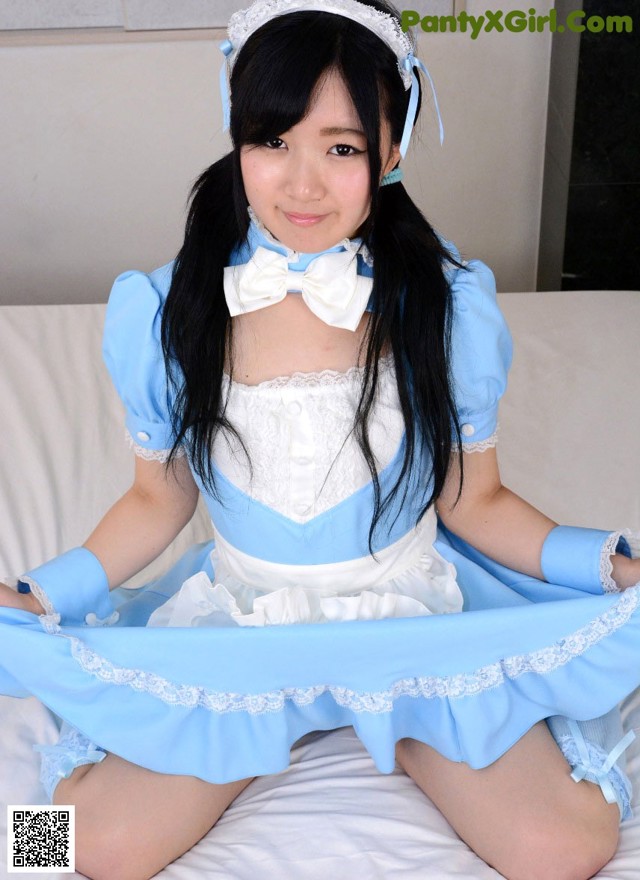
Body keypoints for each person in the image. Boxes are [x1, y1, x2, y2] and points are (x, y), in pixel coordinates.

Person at [1, 1, 640, 878]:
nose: (302, 185)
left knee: (566, 848)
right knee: (84, 847)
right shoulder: (168, 308)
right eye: (273, 141)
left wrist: (607, 565)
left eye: (341, 148)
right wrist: (43, 591)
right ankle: (28, 845)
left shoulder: (445, 307)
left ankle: (400, 726)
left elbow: (476, 499)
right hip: (244, 626)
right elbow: (159, 494)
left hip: (406, 624)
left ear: (393, 148)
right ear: (237, 138)